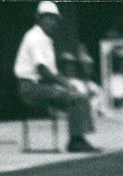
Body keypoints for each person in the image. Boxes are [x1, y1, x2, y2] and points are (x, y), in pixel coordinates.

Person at [13, 1, 100, 153]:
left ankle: (79, 138)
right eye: (47, 17)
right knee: (77, 99)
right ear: (39, 18)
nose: (51, 22)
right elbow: (43, 69)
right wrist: (65, 85)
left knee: (79, 96)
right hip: (31, 87)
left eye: (54, 18)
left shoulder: (45, 39)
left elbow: (53, 71)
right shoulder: (34, 37)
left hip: (41, 86)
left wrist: (68, 84)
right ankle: (76, 141)